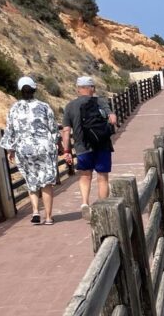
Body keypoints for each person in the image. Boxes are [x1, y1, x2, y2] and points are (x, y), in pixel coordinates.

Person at [0, 77, 59, 225]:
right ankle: (49, 217)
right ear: (34, 89)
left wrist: (10, 149)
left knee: (31, 180)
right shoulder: (44, 107)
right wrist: (55, 144)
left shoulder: (14, 108)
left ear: (20, 90)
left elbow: (10, 131)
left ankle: (35, 212)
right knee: (46, 182)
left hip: (24, 149)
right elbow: (53, 129)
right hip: (44, 147)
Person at [61, 76, 118, 220]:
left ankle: (85, 203)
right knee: (102, 177)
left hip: (82, 146)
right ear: (92, 88)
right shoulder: (100, 101)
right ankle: (102, 208)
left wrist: (66, 151)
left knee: (85, 176)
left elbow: (66, 130)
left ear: (78, 89)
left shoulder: (70, 106)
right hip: (102, 145)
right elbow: (113, 119)